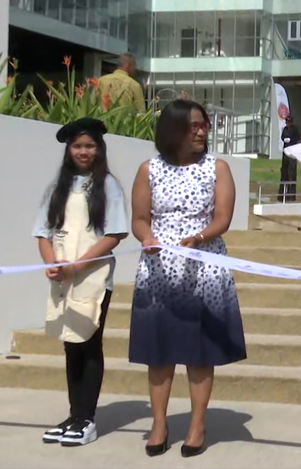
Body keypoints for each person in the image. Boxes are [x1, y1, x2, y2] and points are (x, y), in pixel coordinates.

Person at [129, 99, 246, 458]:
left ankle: (197, 424)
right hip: (159, 271)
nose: (201, 131)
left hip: (204, 268)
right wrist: (146, 237)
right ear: (172, 130)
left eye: (203, 125)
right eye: (193, 126)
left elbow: (223, 217)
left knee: (199, 352)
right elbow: (139, 217)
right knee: (159, 351)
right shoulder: (148, 169)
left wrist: (199, 237)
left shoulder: (218, 168)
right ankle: (160, 423)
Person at [34, 118, 128, 447]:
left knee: (88, 343)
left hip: (92, 278)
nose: (83, 152)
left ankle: (87, 418)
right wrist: (53, 264)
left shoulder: (108, 186)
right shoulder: (58, 188)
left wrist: (77, 265)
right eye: (77, 146)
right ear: (68, 150)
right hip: (63, 278)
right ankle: (74, 415)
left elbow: (114, 234)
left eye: (90, 146)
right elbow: (43, 234)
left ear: (99, 149)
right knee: (69, 343)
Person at [279, 115, 299, 202]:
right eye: (286, 122)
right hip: (285, 153)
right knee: (284, 174)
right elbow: (282, 137)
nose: (288, 123)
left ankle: (291, 195)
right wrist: (285, 139)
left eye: (289, 122)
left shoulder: (295, 129)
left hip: (292, 154)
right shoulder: (285, 129)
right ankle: (282, 195)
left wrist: (291, 140)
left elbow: (297, 138)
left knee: (291, 174)